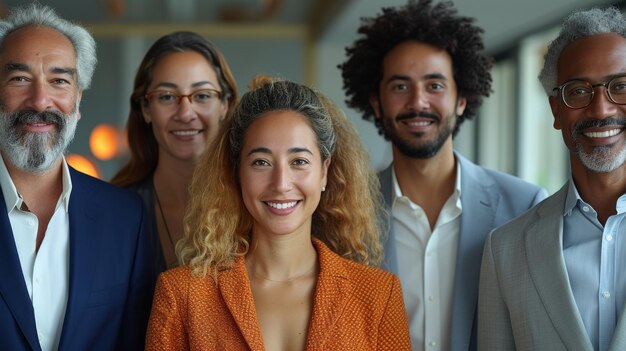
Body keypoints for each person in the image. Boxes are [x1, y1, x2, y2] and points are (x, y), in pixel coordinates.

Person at [145, 77, 411, 350]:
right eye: (261, 162)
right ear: (237, 173)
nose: (281, 183)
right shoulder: (183, 294)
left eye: (299, 161)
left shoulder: (379, 295)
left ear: (324, 172)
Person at [339, 0, 547, 349]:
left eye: (434, 85)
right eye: (400, 86)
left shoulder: (524, 206)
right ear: (376, 102)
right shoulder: (343, 210)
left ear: (461, 99)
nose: (418, 102)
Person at [0, 3, 157, 350]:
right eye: (19, 78)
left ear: (77, 99)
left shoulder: (126, 218)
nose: (40, 100)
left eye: (59, 81)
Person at [478, 7, 626, 350]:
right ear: (556, 110)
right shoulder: (505, 249)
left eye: (620, 86)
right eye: (578, 91)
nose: (601, 109)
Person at [110, 31, 238, 271]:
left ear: (225, 105)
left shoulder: (252, 205)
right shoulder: (113, 213)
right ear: (146, 109)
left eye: (202, 95)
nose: (186, 113)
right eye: (167, 96)